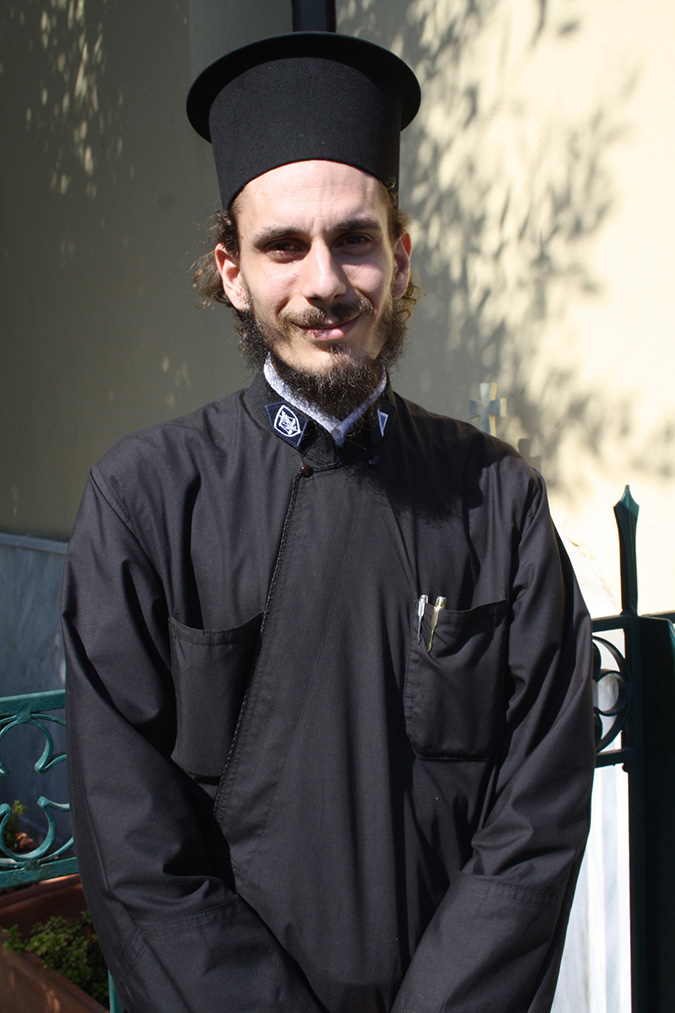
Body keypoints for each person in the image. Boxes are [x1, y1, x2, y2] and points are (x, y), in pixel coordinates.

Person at [62, 31, 595, 1013]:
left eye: (354, 239)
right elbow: (134, 851)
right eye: (282, 246)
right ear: (231, 270)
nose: (323, 281)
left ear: (399, 257)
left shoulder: (498, 500)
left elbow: (537, 817)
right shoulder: (142, 503)